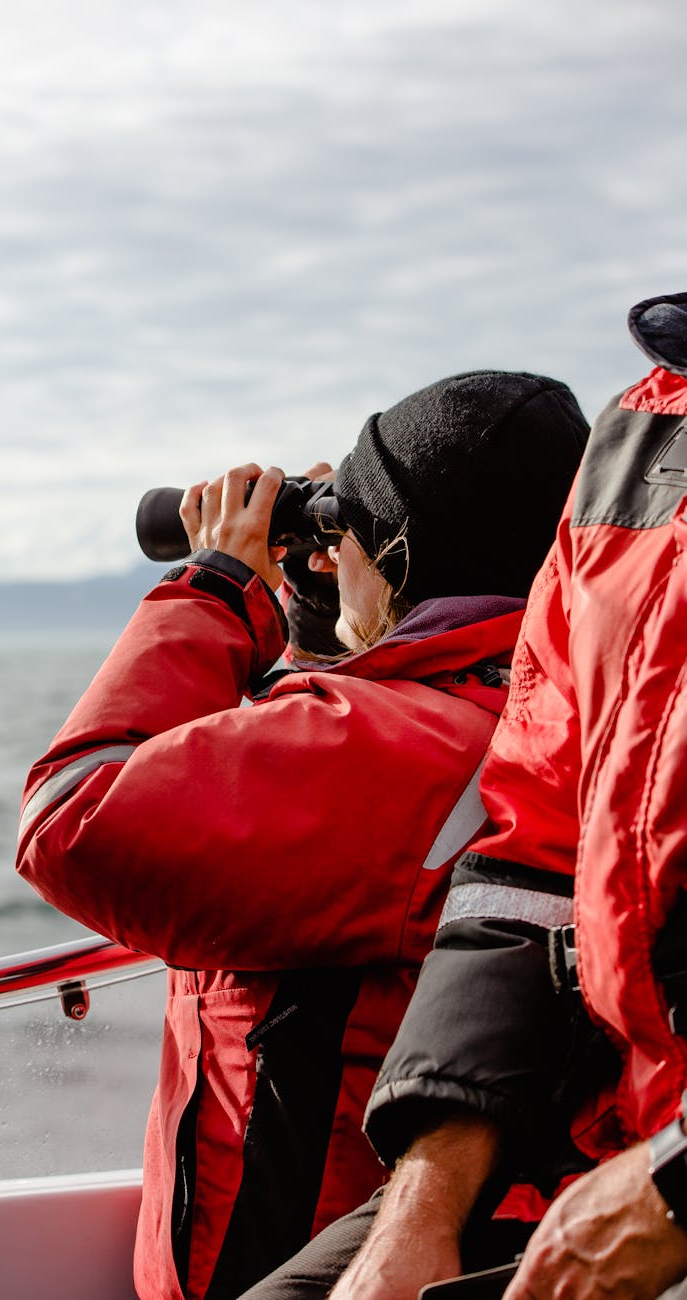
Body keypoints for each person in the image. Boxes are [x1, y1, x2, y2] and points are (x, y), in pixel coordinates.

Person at [15, 370, 588, 1300]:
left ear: (399, 552)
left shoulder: (400, 746)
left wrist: (213, 584)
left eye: (348, 535)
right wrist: (326, 605)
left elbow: (71, 818)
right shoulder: (545, 712)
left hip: (305, 1252)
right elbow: (323, 734)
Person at [240, 291, 687, 1300]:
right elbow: (531, 848)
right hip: (596, 1130)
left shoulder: (361, 739)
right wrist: (422, 1200)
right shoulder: (639, 439)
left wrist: (220, 582)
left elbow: (72, 819)